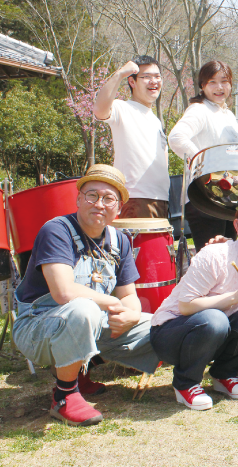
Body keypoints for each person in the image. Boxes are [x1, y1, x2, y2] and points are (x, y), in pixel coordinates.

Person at [12, 165, 159, 426]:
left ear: (119, 207)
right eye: (92, 195)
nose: (99, 204)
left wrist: (131, 315)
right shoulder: (56, 230)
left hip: (88, 322)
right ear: (78, 199)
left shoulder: (120, 240)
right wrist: (113, 302)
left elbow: (129, 295)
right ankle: (64, 394)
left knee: (162, 325)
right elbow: (63, 292)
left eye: (109, 198)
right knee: (84, 309)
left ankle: (81, 371)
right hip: (39, 326)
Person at [150, 198, 238, 410]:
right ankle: (185, 383)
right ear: (237, 226)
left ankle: (223, 375)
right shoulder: (216, 254)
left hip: (214, 336)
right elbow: (185, 306)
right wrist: (234, 298)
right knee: (216, 319)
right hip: (170, 333)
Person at [168, 60, 238, 251]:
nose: (219, 87)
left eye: (224, 81)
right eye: (212, 82)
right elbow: (177, 137)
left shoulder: (228, 115)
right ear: (202, 85)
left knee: (229, 259)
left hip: (227, 199)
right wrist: (206, 166)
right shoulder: (200, 109)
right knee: (212, 261)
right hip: (205, 198)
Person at [94, 56, 169, 219]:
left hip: (160, 199)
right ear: (132, 82)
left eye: (157, 76)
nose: (153, 81)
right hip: (135, 197)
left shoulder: (155, 120)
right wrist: (120, 73)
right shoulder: (123, 108)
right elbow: (99, 110)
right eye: (146, 77)